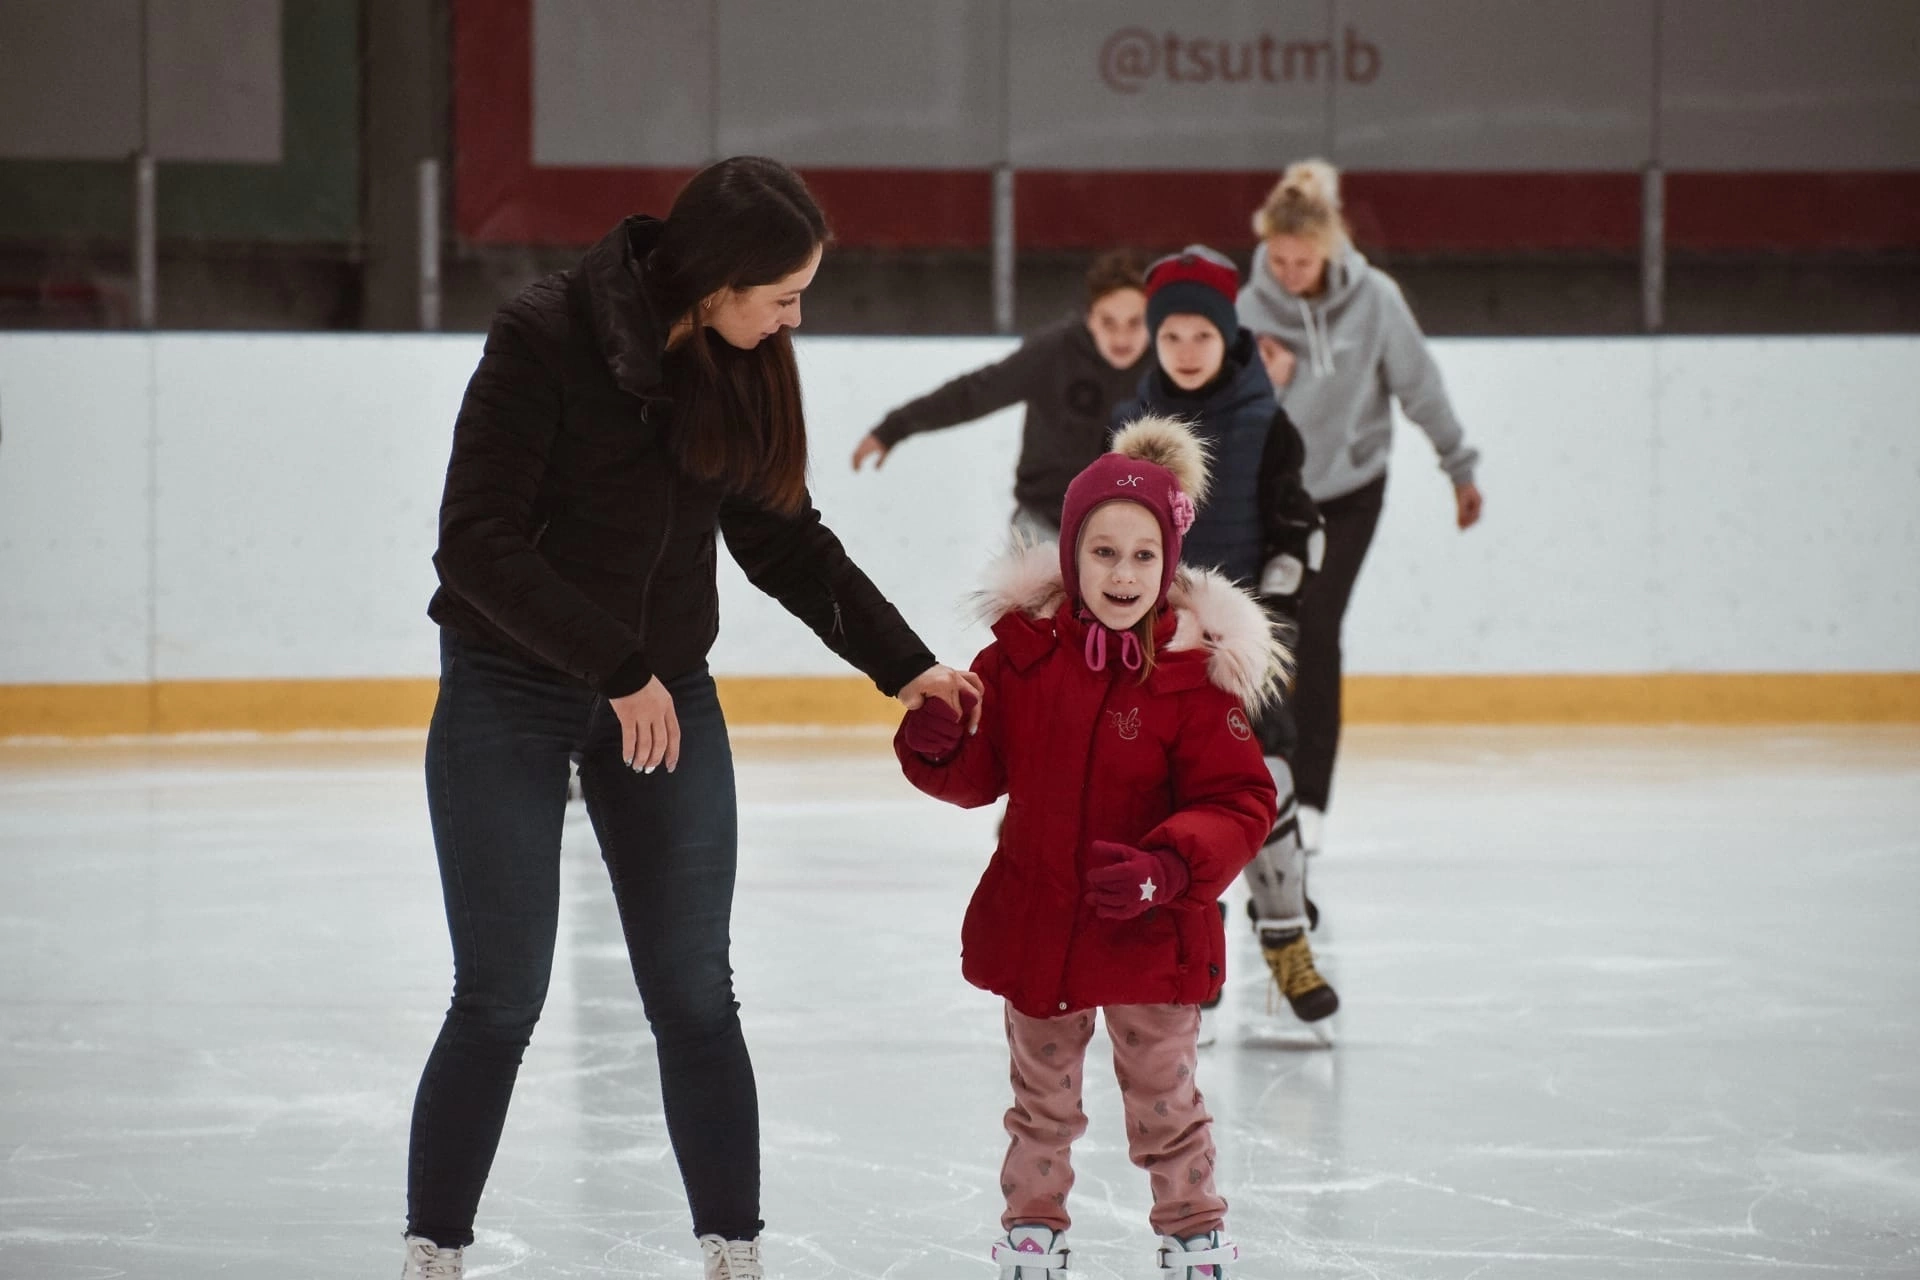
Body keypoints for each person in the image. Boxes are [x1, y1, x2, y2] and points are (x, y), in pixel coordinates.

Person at [405, 157, 982, 1280]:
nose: (795, 318)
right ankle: (435, 1252)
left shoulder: (741, 360)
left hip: (663, 688)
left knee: (692, 989)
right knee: (501, 993)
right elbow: (474, 543)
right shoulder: (546, 336)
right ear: (716, 279)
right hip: (511, 685)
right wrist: (615, 668)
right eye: (783, 294)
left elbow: (783, 536)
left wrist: (904, 664)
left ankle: (735, 1251)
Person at [895, 416, 1284, 1279]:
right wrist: (934, 741)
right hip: (1042, 923)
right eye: (1103, 553)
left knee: (1166, 1098)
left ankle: (1192, 1231)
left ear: (1170, 564)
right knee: (1040, 1103)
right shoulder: (1022, 661)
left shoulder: (1192, 676)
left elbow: (1241, 799)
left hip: (1150, 932)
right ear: (1070, 555)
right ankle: (1034, 1227)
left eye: (1145, 557)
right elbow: (974, 775)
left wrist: (1170, 867)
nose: (1123, 574)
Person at [1112, 246, 1338, 1035]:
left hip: (1246, 647)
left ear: (1227, 335)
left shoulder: (1266, 424)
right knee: (1171, 803)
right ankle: (1193, 951)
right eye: (1169, 336)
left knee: (1264, 782)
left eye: (1200, 336)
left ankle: (1285, 938)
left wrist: (1269, 615)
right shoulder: (1132, 429)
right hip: (1156, 646)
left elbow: (1297, 530)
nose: (1184, 351)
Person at [1237, 159, 1485, 855]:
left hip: (1350, 492)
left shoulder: (1375, 299)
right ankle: (1266, 778)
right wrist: (1272, 383)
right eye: (1278, 260)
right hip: (1275, 495)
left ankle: (1311, 797)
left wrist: (1457, 467)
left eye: (1303, 259)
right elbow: (1232, 413)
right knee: (1270, 630)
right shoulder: (1247, 309)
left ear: (1330, 247)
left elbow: (1419, 386)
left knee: (1318, 626)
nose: (1289, 272)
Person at [850, 251, 1150, 537]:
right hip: (1046, 525)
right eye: (1108, 322)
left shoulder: (1171, 363)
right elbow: (974, 393)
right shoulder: (1052, 354)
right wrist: (895, 427)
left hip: (1139, 532)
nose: (1121, 337)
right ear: (1089, 316)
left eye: (1134, 322)